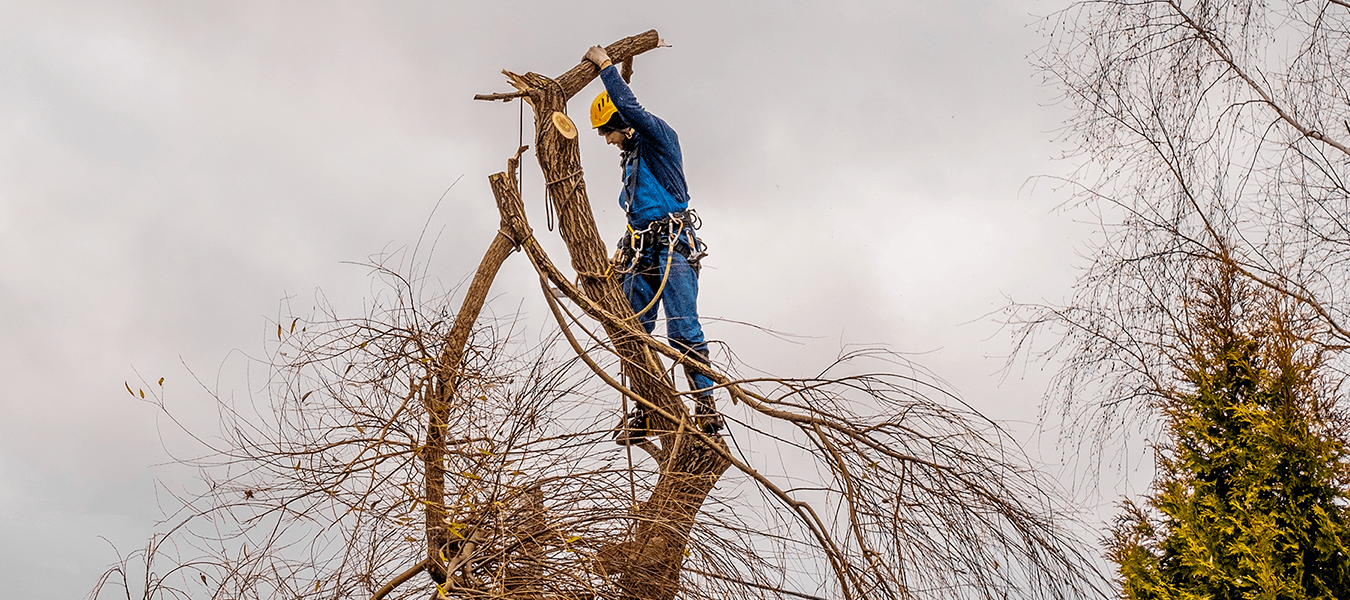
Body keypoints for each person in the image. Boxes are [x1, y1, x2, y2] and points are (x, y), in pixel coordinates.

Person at [582, 45, 724, 439]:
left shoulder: (659, 140)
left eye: (607, 131)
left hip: (673, 246)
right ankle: (650, 410)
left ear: (621, 122)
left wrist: (606, 66)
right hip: (641, 251)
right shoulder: (630, 160)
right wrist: (622, 250)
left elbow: (631, 108)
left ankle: (707, 410)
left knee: (682, 329)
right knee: (633, 328)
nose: (607, 140)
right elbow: (637, 213)